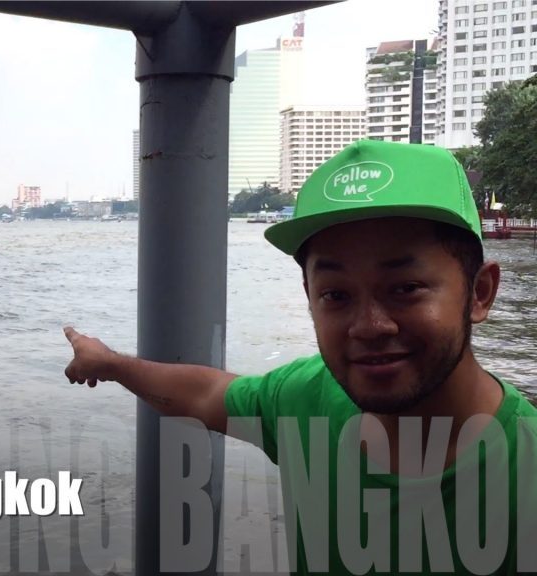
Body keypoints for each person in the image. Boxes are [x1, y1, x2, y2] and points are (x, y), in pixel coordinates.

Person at [63, 140, 536, 575]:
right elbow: (206, 393)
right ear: (309, 296)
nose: (369, 326)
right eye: (336, 294)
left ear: (480, 292)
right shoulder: (308, 398)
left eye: (405, 289)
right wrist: (110, 364)